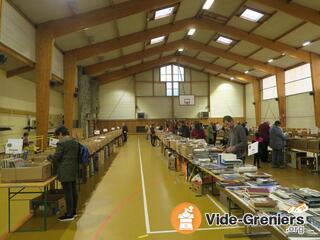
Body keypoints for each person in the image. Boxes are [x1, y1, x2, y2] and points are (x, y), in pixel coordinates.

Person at [48, 126, 79, 222]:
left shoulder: (61, 143)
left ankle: (69, 214)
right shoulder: (75, 141)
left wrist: (49, 157)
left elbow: (56, 157)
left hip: (65, 170)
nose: (58, 138)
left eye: (58, 136)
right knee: (73, 190)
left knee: (67, 192)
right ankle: (73, 211)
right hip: (74, 168)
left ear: (61, 134)